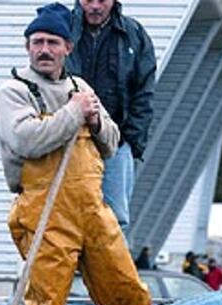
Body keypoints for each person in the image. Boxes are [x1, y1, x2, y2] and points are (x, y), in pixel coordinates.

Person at [0, 2, 172, 305]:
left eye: (53, 42)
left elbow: (110, 141)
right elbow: (27, 140)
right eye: (38, 41)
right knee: (47, 299)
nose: (44, 49)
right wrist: (74, 112)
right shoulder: (14, 92)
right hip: (44, 211)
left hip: (91, 208)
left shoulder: (82, 88)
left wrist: (94, 118)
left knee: (126, 287)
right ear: (27, 46)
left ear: (67, 48)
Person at [67, 0, 156, 238]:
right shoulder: (62, 29)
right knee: (66, 218)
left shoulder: (134, 35)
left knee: (115, 221)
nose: (95, 6)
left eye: (102, 0)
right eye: (88, 0)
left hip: (116, 145)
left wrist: (132, 141)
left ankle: (110, 275)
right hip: (67, 141)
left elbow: (144, 92)